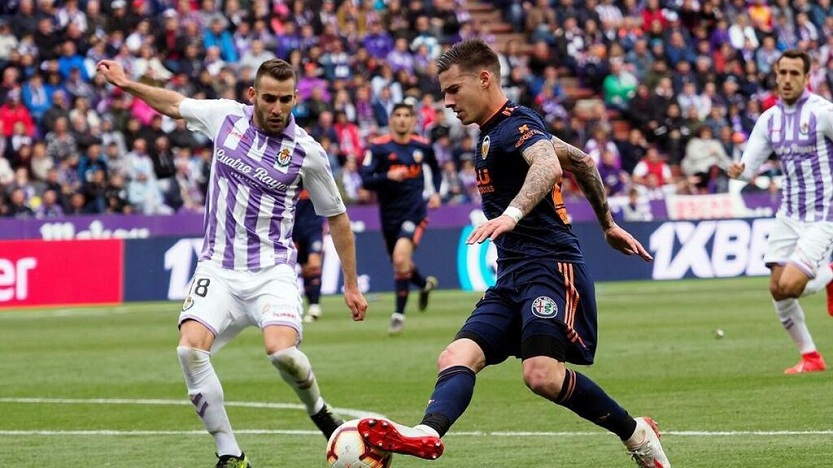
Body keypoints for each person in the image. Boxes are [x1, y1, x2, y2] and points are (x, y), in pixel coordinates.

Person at [356, 39, 670, 468]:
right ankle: (427, 433)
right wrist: (608, 225)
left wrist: (514, 213)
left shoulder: (518, 123)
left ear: (484, 78)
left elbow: (549, 166)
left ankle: (637, 436)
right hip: (511, 276)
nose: (446, 102)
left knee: (540, 374)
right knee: (455, 356)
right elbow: (581, 161)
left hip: (551, 266)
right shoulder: (492, 132)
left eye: (453, 90)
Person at [97, 58, 368, 468]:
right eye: (270, 99)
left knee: (281, 354)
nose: (277, 108)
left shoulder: (307, 152)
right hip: (217, 269)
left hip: (271, 272)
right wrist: (126, 83)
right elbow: (174, 104)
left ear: (295, 99)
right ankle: (231, 454)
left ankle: (320, 412)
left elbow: (337, 217)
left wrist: (351, 284)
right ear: (252, 95)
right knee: (189, 351)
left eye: (286, 100)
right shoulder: (224, 118)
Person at [728, 49, 833, 375]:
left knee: (791, 284)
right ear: (776, 75)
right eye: (782, 73)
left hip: (823, 214)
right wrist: (739, 171)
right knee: (777, 288)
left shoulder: (823, 113)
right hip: (789, 214)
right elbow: (751, 165)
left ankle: (828, 272)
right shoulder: (770, 119)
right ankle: (811, 356)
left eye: (794, 74)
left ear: (806, 77)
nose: (787, 79)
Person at [361, 102, 442, 335]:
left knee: (399, 259)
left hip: (414, 212)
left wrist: (435, 192)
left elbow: (435, 170)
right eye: (398, 115)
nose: (402, 119)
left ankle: (398, 315)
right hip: (388, 215)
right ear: (390, 120)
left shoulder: (423, 146)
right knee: (401, 263)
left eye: (407, 115)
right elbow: (365, 179)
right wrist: (388, 175)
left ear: (414, 120)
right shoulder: (378, 148)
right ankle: (424, 284)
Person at [293, 185, 326, 322]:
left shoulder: (313, 177)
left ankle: (315, 306)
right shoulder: (288, 181)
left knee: (314, 264)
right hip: (295, 231)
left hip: (314, 229)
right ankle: (310, 303)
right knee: (305, 269)